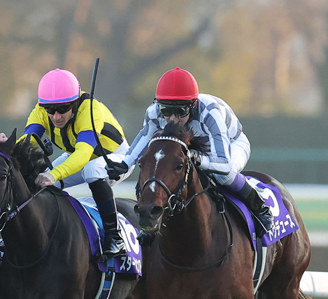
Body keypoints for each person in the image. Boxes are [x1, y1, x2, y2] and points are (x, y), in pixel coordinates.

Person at [107, 67, 273, 232]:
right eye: (166, 110)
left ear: (193, 105)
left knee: (223, 176)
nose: (173, 118)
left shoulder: (210, 113)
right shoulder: (153, 112)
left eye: (180, 111)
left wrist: (198, 159)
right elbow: (145, 138)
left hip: (230, 145)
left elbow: (224, 163)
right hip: (190, 148)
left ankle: (260, 208)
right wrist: (125, 163)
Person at [10, 68, 128, 258]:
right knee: (39, 184)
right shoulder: (41, 110)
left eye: (63, 109)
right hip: (78, 156)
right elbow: (27, 143)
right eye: (50, 110)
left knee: (92, 170)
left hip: (115, 158)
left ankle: (115, 237)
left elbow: (83, 154)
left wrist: (54, 174)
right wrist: (6, 148)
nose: (56, 116)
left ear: (75, 103)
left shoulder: (90, 111)